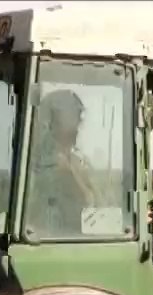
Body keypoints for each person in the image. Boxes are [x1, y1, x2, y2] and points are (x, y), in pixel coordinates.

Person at [26, 88, 98, 236]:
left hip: (73, 239)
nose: (78, 124)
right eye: (75, 117)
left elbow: (92, 204)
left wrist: (70, 172)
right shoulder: (32, 162)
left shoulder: (79, 162)